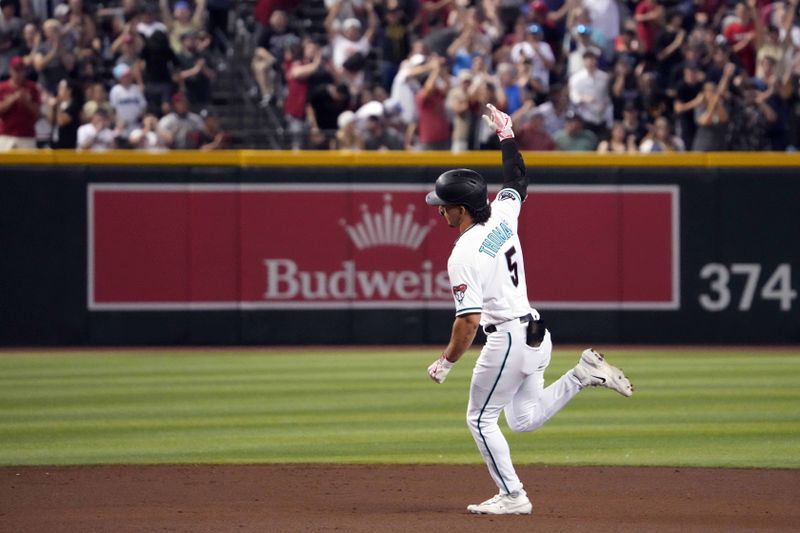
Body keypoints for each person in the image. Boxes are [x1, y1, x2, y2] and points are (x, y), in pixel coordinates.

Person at [425, 103, 633, 516]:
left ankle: (514, 496)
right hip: (536, 334)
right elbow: (517, 178)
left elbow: (468, 322)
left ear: (461, 209)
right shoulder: (502, 213)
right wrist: (507, 136)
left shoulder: (462, 253)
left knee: (480, 420)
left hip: (507, 340)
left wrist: (447, 361)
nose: (439, 209)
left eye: (444, 204)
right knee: (522, 420)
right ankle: (582, 374)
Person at [0, 56, 40, 149]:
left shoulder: (32, 88)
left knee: (28, 163)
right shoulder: (2, 88)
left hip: (26, 136)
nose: (19, 74)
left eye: (21, 70)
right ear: (11, 71)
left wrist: (27, 102)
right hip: (6, 135)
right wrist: (11, 100)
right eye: (16, 70)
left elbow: (37, 114)